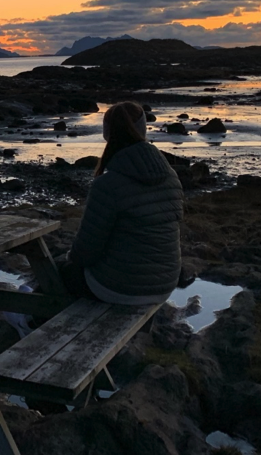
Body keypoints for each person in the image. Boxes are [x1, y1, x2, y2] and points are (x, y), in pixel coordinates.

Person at [61, 101, 183, 305]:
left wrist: (68, 258)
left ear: (107, 133)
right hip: (165, 284)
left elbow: (85, 252)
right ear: (143, 128)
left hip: (122, 287)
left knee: (58, 270)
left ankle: (30, 322)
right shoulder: (171, 177)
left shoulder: (108, 184)